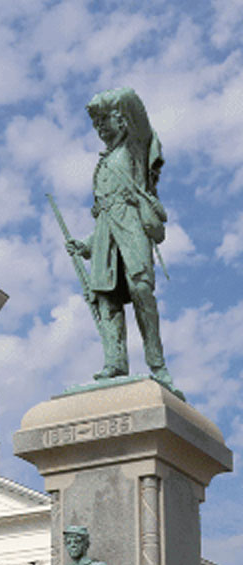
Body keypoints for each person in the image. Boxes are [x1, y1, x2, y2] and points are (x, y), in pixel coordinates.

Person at [66, 87, 173, 389]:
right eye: (96, 123)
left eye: (104, 120)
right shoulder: (101, 164)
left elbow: (133, 106)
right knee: (107, 299)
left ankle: (157, 365)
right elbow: (105, 216)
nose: (100, 127)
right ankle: (115, 363)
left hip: (133, 232)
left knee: (141, 290)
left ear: (121, 120)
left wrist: (102, 102)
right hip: (106, 240)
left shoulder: (133, 148)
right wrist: (86, 245)